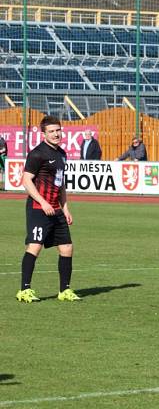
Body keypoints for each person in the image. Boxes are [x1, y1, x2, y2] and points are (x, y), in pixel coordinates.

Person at [16, 115, 81, 303]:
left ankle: (64, 291)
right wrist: (43, 202)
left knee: (67, 248)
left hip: (56, 209)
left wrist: (66, 208)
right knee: (34, 247)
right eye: (51, 131)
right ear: (43, 134)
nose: (56, 134)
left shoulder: (62, 154)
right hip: (38, 208)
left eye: (58, 130)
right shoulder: (37, 154)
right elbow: (26, 180)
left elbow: (60, 184)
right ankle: (24, 290)